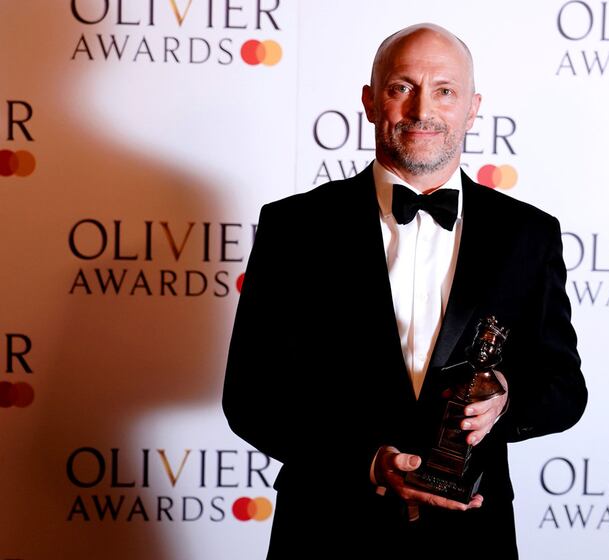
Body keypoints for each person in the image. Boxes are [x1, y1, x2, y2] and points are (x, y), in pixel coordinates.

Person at [223, 23, 587, 559]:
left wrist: (506, 404)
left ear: (472, 107)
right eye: (402, 88)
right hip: (326, 528)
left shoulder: (528, 235)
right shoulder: (295, 227)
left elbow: (564, 389)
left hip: (471, 536)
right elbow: (251, 397)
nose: (423, 110)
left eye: (445, 91)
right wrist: (365, 462)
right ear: (371, 102)